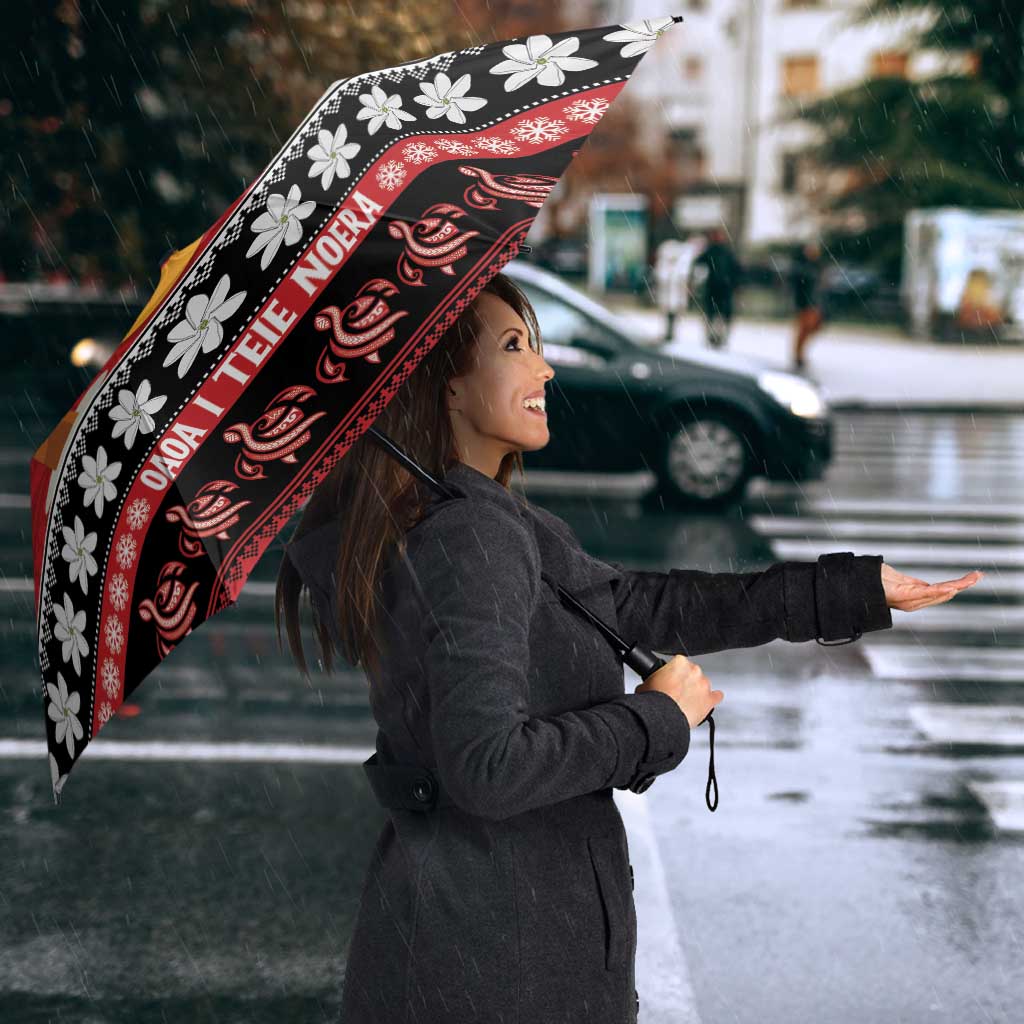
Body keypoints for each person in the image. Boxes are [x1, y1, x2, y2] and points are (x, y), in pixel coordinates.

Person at [275, 271, 971, 1024]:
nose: (544, 368)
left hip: (480, 939)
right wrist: (657, 719)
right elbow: (488, 767)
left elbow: (637, 605)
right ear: (444, 385)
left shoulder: (471, 516)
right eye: (515, 346)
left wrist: (850, 591)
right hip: (501, 962)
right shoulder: (469, 536)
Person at [692, 226, 742, 349]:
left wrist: (735, 284)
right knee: (713, 314)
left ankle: (719, 337)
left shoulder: (725, 252)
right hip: (715, 288)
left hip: (723, 288)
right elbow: (698, 264)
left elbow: (736, 270)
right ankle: (713, 337)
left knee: (720, 315)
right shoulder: (712, 251)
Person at [790, 239, 826, 371]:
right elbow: (799, 286)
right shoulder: (802, 267)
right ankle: (798, 355)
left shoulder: (817, 266)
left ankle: (800, 354)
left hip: (814, 303)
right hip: (805, 303)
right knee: (804, 329)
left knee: (812, 328)